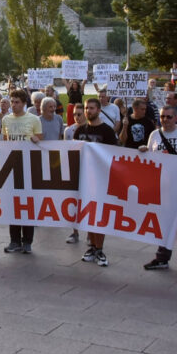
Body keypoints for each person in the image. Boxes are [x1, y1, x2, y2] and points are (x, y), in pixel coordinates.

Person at [142, 104, 177, 277]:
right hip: (159, 186)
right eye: (162, 117)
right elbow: (151, 158)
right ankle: (162, 257)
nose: (165, 120)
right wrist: (144, 152)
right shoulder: (154, 135)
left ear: (176, 118)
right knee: (162, 224)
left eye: (168, 117)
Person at [0, 89, 42, 254]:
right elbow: (6, 142)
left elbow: (42, 142)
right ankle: (14, 240)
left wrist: (36, 139)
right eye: (12, 102)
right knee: (13, 205)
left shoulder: (34, 119)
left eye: (17, 102)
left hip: (28, 168)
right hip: (11, 168)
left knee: (27, 205)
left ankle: (27, 241)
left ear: (24, 103)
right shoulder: (6, 120)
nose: (14, 105)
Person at [74, 97, 120, 267]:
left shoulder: (107, 131)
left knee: (99, 215)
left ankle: (100, 249)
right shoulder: (79, 131)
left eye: (92, 108)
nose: (88, 111)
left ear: (99, 110)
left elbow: (113, 156)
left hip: (101, 180)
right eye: (86, 108)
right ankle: (92, 247)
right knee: (88, 213)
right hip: (84, 178)